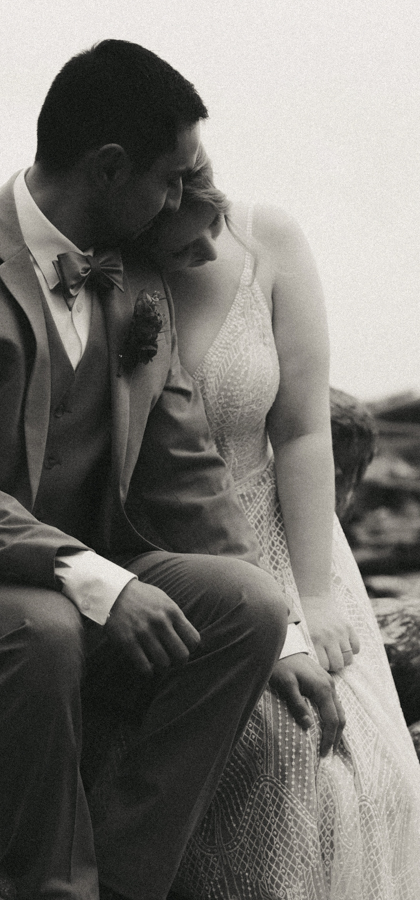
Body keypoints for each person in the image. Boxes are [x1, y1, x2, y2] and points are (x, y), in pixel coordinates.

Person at [0, 39, 338, 900]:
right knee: (43, 628)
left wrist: (287, 640)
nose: (185, 198)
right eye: (174, 178)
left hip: (76, 573)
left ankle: (126, 877)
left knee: (248, 606)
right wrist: (98, 579)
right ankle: (54, 885)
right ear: (111, 169)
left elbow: (185, 475)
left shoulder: (134, 278)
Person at [136, 148, 420, 899]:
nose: (210, 244)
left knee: (368, 782)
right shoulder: (112, 273)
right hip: (179, 555)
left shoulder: (270, 239)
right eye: (187, 239)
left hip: (291, 539)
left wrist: (317, 596)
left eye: (215, 220)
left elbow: (301, 430)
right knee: (257, 772)